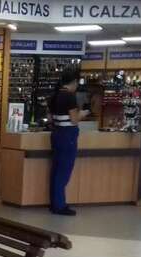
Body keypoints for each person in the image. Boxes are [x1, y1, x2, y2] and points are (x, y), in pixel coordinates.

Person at [48, 71, 89, 216]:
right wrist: (83, 113)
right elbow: (74, 119)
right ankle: (60, 205)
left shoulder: (53, 96)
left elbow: (50, 119)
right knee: (64, 171)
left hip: (56, 134)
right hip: (68, 136)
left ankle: (54, 203)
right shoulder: (69, 97)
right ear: (74, 82)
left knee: (56, 170)